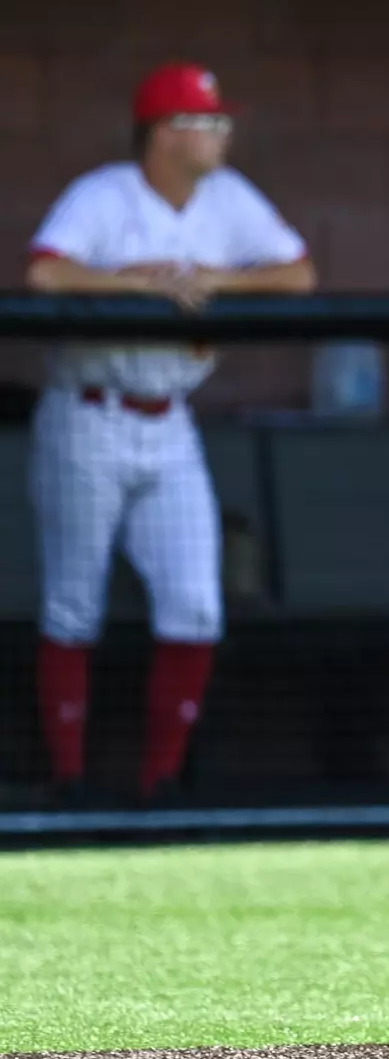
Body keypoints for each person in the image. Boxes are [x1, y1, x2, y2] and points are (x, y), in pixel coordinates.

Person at [24, 62, 316, 803]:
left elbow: (298, 274)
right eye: (205, 121)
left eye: (221, 120)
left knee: (195, 604)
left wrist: (211, 279)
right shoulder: (103, 194)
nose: (221, 133)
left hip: (170, 422)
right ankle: (69, 782)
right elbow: (46, 276)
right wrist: (141, 282)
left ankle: (160, 785)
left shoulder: (226, 199)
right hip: (88, 414)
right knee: (72, 604)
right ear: (163, 132)